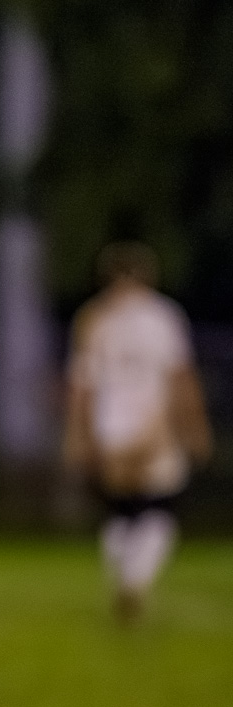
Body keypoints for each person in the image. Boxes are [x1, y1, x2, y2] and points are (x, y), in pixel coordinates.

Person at [64, 242, 213, 623]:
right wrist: (194, 426)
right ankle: (135, 580)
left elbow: (82, 386)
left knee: (120, 510)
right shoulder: (163, 316)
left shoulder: (94, 318)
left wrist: (78, 434)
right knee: (159, 508)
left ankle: (124, 577)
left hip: (110, 426)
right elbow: (180, 377)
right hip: (154, 423)